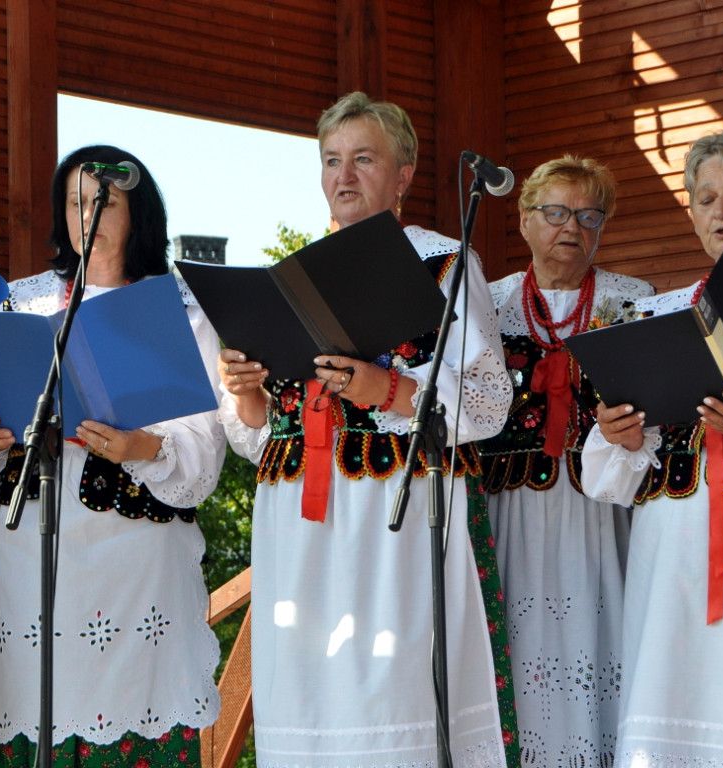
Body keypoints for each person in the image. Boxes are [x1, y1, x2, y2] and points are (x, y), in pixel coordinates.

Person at [218, 91, 514, 768]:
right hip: (297, 522)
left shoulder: (442, 263)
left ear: (403, 174)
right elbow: (263, 438)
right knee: (308, 696)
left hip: (395, 516)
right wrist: (251, 398)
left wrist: (392, 389)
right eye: (330, 161)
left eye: (362, 159)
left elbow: (490, 403)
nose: (342, 176)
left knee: (394, 696)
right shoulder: (291, 278)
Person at [0, 144, 225, 768]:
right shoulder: (22, 300)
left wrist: (141, 447)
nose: (85, 216)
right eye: (73, 203)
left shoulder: (178, 308)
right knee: (36, 710)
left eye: (103, 202)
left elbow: (204, 453)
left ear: (138, 214)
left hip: (137, 559)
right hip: (32, 550)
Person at [582, 126, 723, 766]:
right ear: (689, 211)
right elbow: (605, 479)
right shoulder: (649, 314)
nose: (722, 212)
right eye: (707, 197)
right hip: (671, 557)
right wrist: (617, 437)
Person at [476, 155, 654, 766]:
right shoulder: (488, 303)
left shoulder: (632, 300)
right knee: (515, 654)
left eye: (587, 214)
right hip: (508, 512)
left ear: (602, 228)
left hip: (600, 514)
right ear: (524, 222)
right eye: (553, 212)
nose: (569, 226)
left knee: (602, 647)